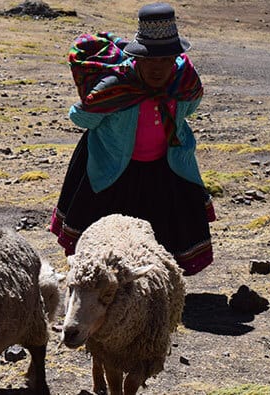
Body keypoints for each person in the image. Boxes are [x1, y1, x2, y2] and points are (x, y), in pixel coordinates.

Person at [49, 2, 215, 275]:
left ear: (175, 58)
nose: (158, 67)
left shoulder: (183, 80)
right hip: (114, 169)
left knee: (164, 229)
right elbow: (81, 117)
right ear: (137, 58)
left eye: (164, 59)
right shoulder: (116, 85)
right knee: (104, 233)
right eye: (150, 59)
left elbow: (191, 103)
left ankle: (158, 288)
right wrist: (105, 105)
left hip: (165, 168)